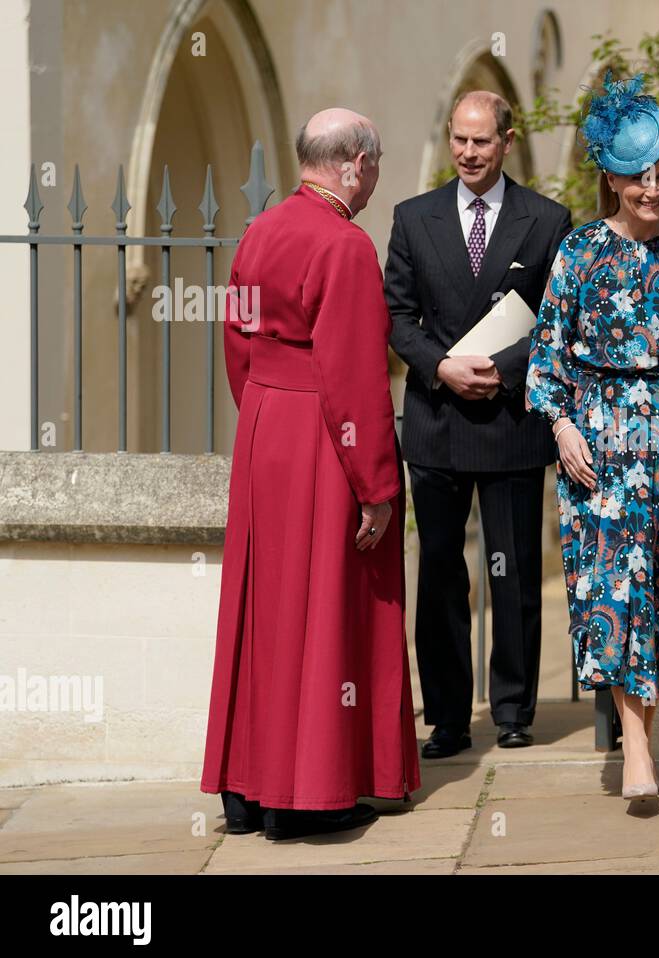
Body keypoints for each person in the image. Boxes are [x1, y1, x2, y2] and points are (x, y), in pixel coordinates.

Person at [525, 74, 659, 805]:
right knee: (610, 591)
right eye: (635, 177)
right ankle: (639, 750)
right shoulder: (580, 252)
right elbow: (547, 351)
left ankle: (639, 741)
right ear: (611, 180)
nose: (651, 189)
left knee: (658, 592)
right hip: (599, 444)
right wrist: (561, 427)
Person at [201, 108, 420, 840]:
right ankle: (305, 795)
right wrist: (378, 487)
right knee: (323, 604)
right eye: (377, 164)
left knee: (264, 610)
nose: (375, 178)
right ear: (355, 162)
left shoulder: (257, 231)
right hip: (325, 436)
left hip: (265, 427)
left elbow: (235, 339)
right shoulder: (348, 246)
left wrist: (265, 414)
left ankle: (245, 787)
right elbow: (356, 376)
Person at [385, 91, 573, 758]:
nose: (467, 152)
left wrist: (502, 366)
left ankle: (515, 708)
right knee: (440, 572)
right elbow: (397, 317)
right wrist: (441, 368)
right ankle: (447, 717)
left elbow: (558, 317)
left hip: (509, 418)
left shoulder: (548, 219)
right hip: (436, 420)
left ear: (507, 141)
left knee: (514, 570)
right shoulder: (413, 218)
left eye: (481, 142)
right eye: (458, 140)